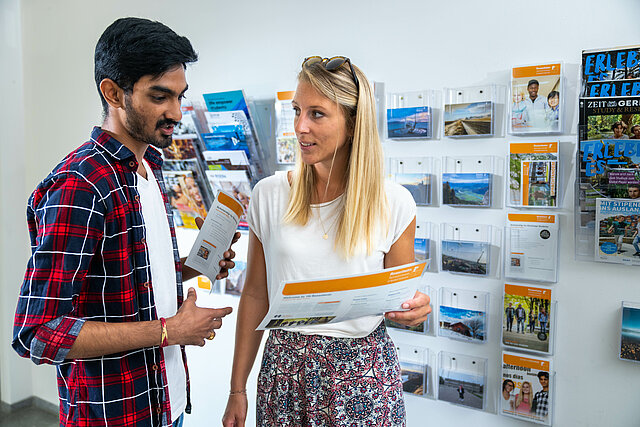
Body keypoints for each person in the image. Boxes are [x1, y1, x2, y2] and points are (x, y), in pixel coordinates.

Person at [12, 18, 239, 427]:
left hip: (164, 405)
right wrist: (169, 331)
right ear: (113, 93)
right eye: (160, 96)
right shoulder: (79, 185)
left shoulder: (151, 166)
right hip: (112, 415)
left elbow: (128, 278)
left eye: (180, 96)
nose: (176, 112)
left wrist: (192, 266)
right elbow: (39, 333)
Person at [221, 56, 431, 426]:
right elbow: (255, 294)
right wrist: (237, 389)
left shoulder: (394, 202)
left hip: (362, 375)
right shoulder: (269, 195)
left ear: (352, 124)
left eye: (317, 114)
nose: (300, 127)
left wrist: (413, 309)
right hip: (283, 372)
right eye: (297, 110)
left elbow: (398, 298)